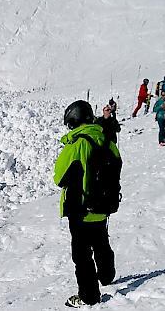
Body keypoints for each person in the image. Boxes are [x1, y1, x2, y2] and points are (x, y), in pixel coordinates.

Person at [54, 100, 118, 308]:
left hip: (81, 209)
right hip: (103, 206)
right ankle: (107, 276)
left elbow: (59, 177)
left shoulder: (78, 143)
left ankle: (89, 297)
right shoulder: (106, 140)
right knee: (101, 243)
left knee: (81, 255)